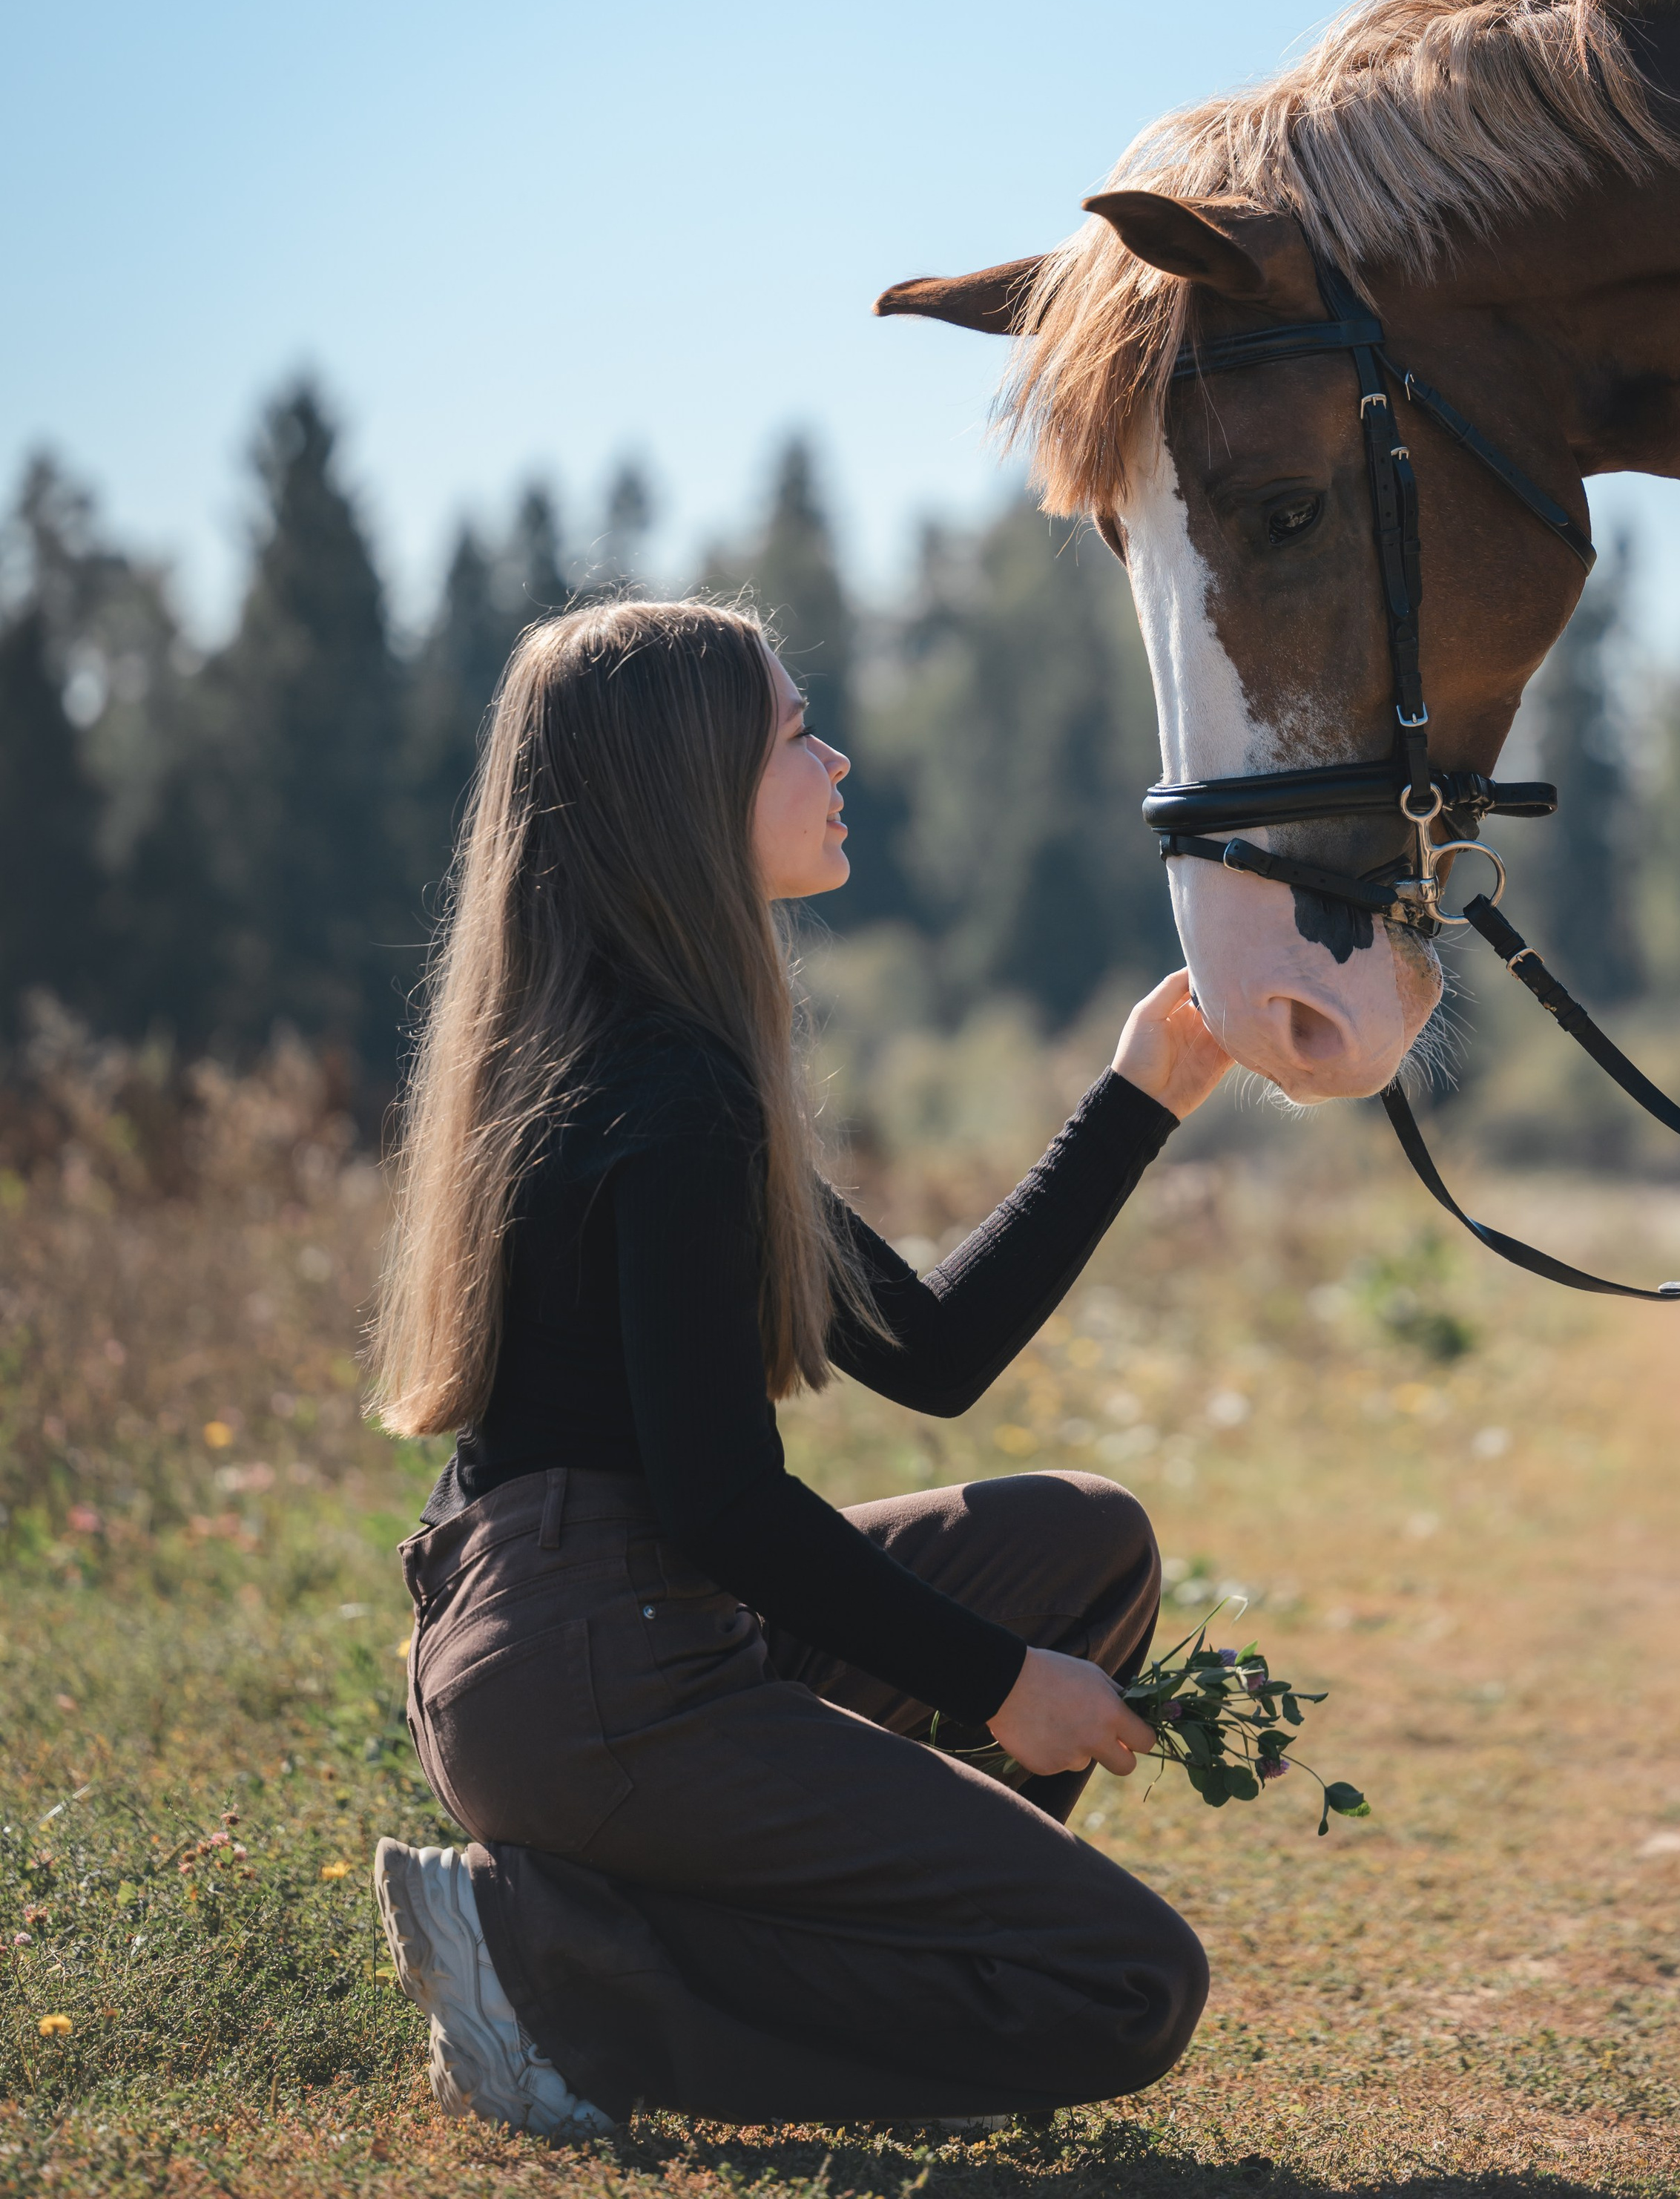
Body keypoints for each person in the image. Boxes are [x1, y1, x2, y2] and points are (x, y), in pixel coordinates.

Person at [368, 596, 1230, 2136]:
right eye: (787, 734)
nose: (834, 761)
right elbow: (720, 1506)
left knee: (1080, 1546)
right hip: (598, 1674)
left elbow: (936, 1351)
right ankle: (559, 1972)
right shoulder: (671, 1095)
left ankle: (919, 2020)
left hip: (582, 1645)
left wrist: (1139, 1095)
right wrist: (999, 1685)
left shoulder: (639, 1054)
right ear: (684, 790)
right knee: (1126, 1983)